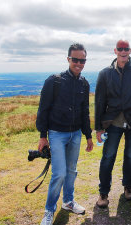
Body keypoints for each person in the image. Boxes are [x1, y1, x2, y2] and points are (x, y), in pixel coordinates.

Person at [36, 43, 93, 225]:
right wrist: (43, 136)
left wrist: (88, 136)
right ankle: (49, 211)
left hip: (76, 134)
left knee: (71, 171)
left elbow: (85, 112)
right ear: (68, 59)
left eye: (82, 60)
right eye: (75, 59)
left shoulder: (84, 83)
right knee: (59, 174)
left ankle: (68, 201)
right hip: (56, 134)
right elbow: (43, 109)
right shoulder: (54, 81)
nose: (78, 63)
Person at [95, 40, 131, 208]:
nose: (123, 51)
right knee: (108, 157)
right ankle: (103, 193)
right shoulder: (105, 73)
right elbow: (99, 102)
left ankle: (128, 187)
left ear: (130, 51)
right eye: (120, 49)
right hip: (113, 122)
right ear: (115, 51)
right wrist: (98, 128)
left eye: (126, 49)